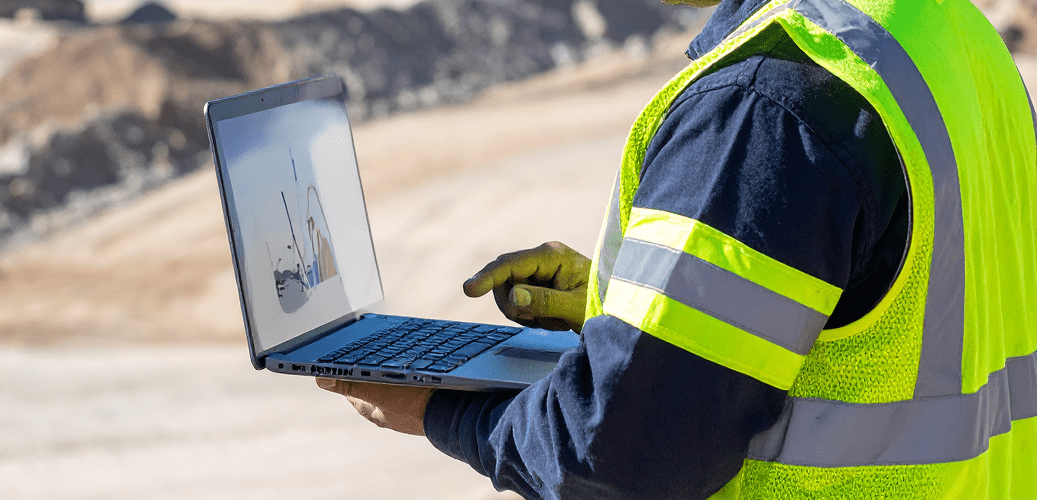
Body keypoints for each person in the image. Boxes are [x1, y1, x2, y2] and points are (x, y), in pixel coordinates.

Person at [318, 0, 1037, 497]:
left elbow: (619, 457)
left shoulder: (767, 99)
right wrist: (638, 304)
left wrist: (437, 410)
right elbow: (911, 310)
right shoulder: (945, 32)